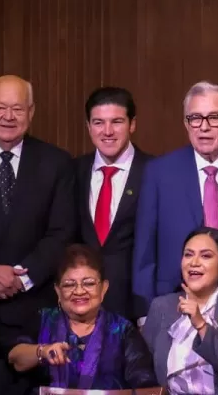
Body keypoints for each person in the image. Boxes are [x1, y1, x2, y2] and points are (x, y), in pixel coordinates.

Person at [0, 75, 76, 395]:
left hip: (33, 315)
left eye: (17, 108)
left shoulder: (57, 163)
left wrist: (20, 279)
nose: (8, 116)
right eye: (0, 107)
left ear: (31, 112)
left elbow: (62, 232)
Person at [133, 81, 218, 316]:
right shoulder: (160, 172)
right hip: (174, 302)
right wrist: (146, 313)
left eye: (214, 118)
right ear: (186, 124)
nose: (203, 127)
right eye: (195, 118)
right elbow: (144, 250)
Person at [6, 244, 157, 390]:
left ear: (104, 288)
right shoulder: (44, 319)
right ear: (58, 291)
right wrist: (43, 352)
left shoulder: (122, 330)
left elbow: (145, 384)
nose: (79, 291)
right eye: (69, 284)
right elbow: (14, 358)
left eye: (89, 283)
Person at [142, 227, 218, 395]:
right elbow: (143, 370)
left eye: (206, 256)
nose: (194, 262)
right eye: (188, 254)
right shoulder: (162, 306)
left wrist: (201, 324)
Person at [74, 87, 152, 320]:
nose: (107, 131)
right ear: (88, 126)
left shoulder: (154, 172)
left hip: (135, 307)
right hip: (80, 307)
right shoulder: (72, 171)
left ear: (132, 124)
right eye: (98, 123)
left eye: (116, 122)